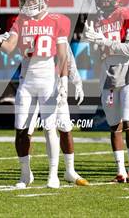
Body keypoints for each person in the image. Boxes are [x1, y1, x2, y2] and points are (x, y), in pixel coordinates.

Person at [0, 0, 70, 189]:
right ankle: (25, 174)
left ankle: (53, 174)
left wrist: (63, 79)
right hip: (27, 81)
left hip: (47, 79)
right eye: (24, 0)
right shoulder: (20, 20)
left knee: (50, 129)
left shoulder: (58, 19)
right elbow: (8, 48)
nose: (27, 4)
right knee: (21, 129)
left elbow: (62, 55)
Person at [84, 0, 129, 183]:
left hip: (128, 74)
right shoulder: (97, 22)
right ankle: (120, 170)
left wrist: (104, 41)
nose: (105, 0)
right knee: (114, 125)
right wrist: (94, 45)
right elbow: (95, 57)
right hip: (108, 76)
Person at [28, 45, 89, 186]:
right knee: (29, 130)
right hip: (36, 85)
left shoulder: (60, 30)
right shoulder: (35, 29)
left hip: (59, 86)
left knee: (65, 128)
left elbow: (69, 60)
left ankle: (70, 170)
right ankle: (27, 172)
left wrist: (77, 82)